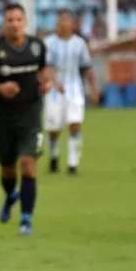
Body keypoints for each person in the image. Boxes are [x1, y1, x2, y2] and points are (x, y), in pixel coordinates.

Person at [0, 3, 53, 236]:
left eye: (18, 19)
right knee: (7, 169)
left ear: (25, 22)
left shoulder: (37, 46)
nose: (14, 24)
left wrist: (46, 82)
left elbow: (44, 69)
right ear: (4, 23)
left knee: (27, 164)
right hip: (3, 117)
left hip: (31, 114)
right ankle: (10, 195)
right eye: (10, 20)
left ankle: (26, 219)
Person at [43, 10, 98, 175]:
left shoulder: (80, 44)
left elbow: (87, 67)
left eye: (67, 21)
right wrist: (54, 82)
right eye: (61, 21)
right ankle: (53, 155)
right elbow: (45, 67)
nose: (64, 24)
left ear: (73, 24)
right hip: (53, 91)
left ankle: (73, 163)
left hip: (74, 89)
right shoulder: (48, 43)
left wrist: (94, 89)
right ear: (56, 23)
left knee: (74, 124)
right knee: (54, 129)